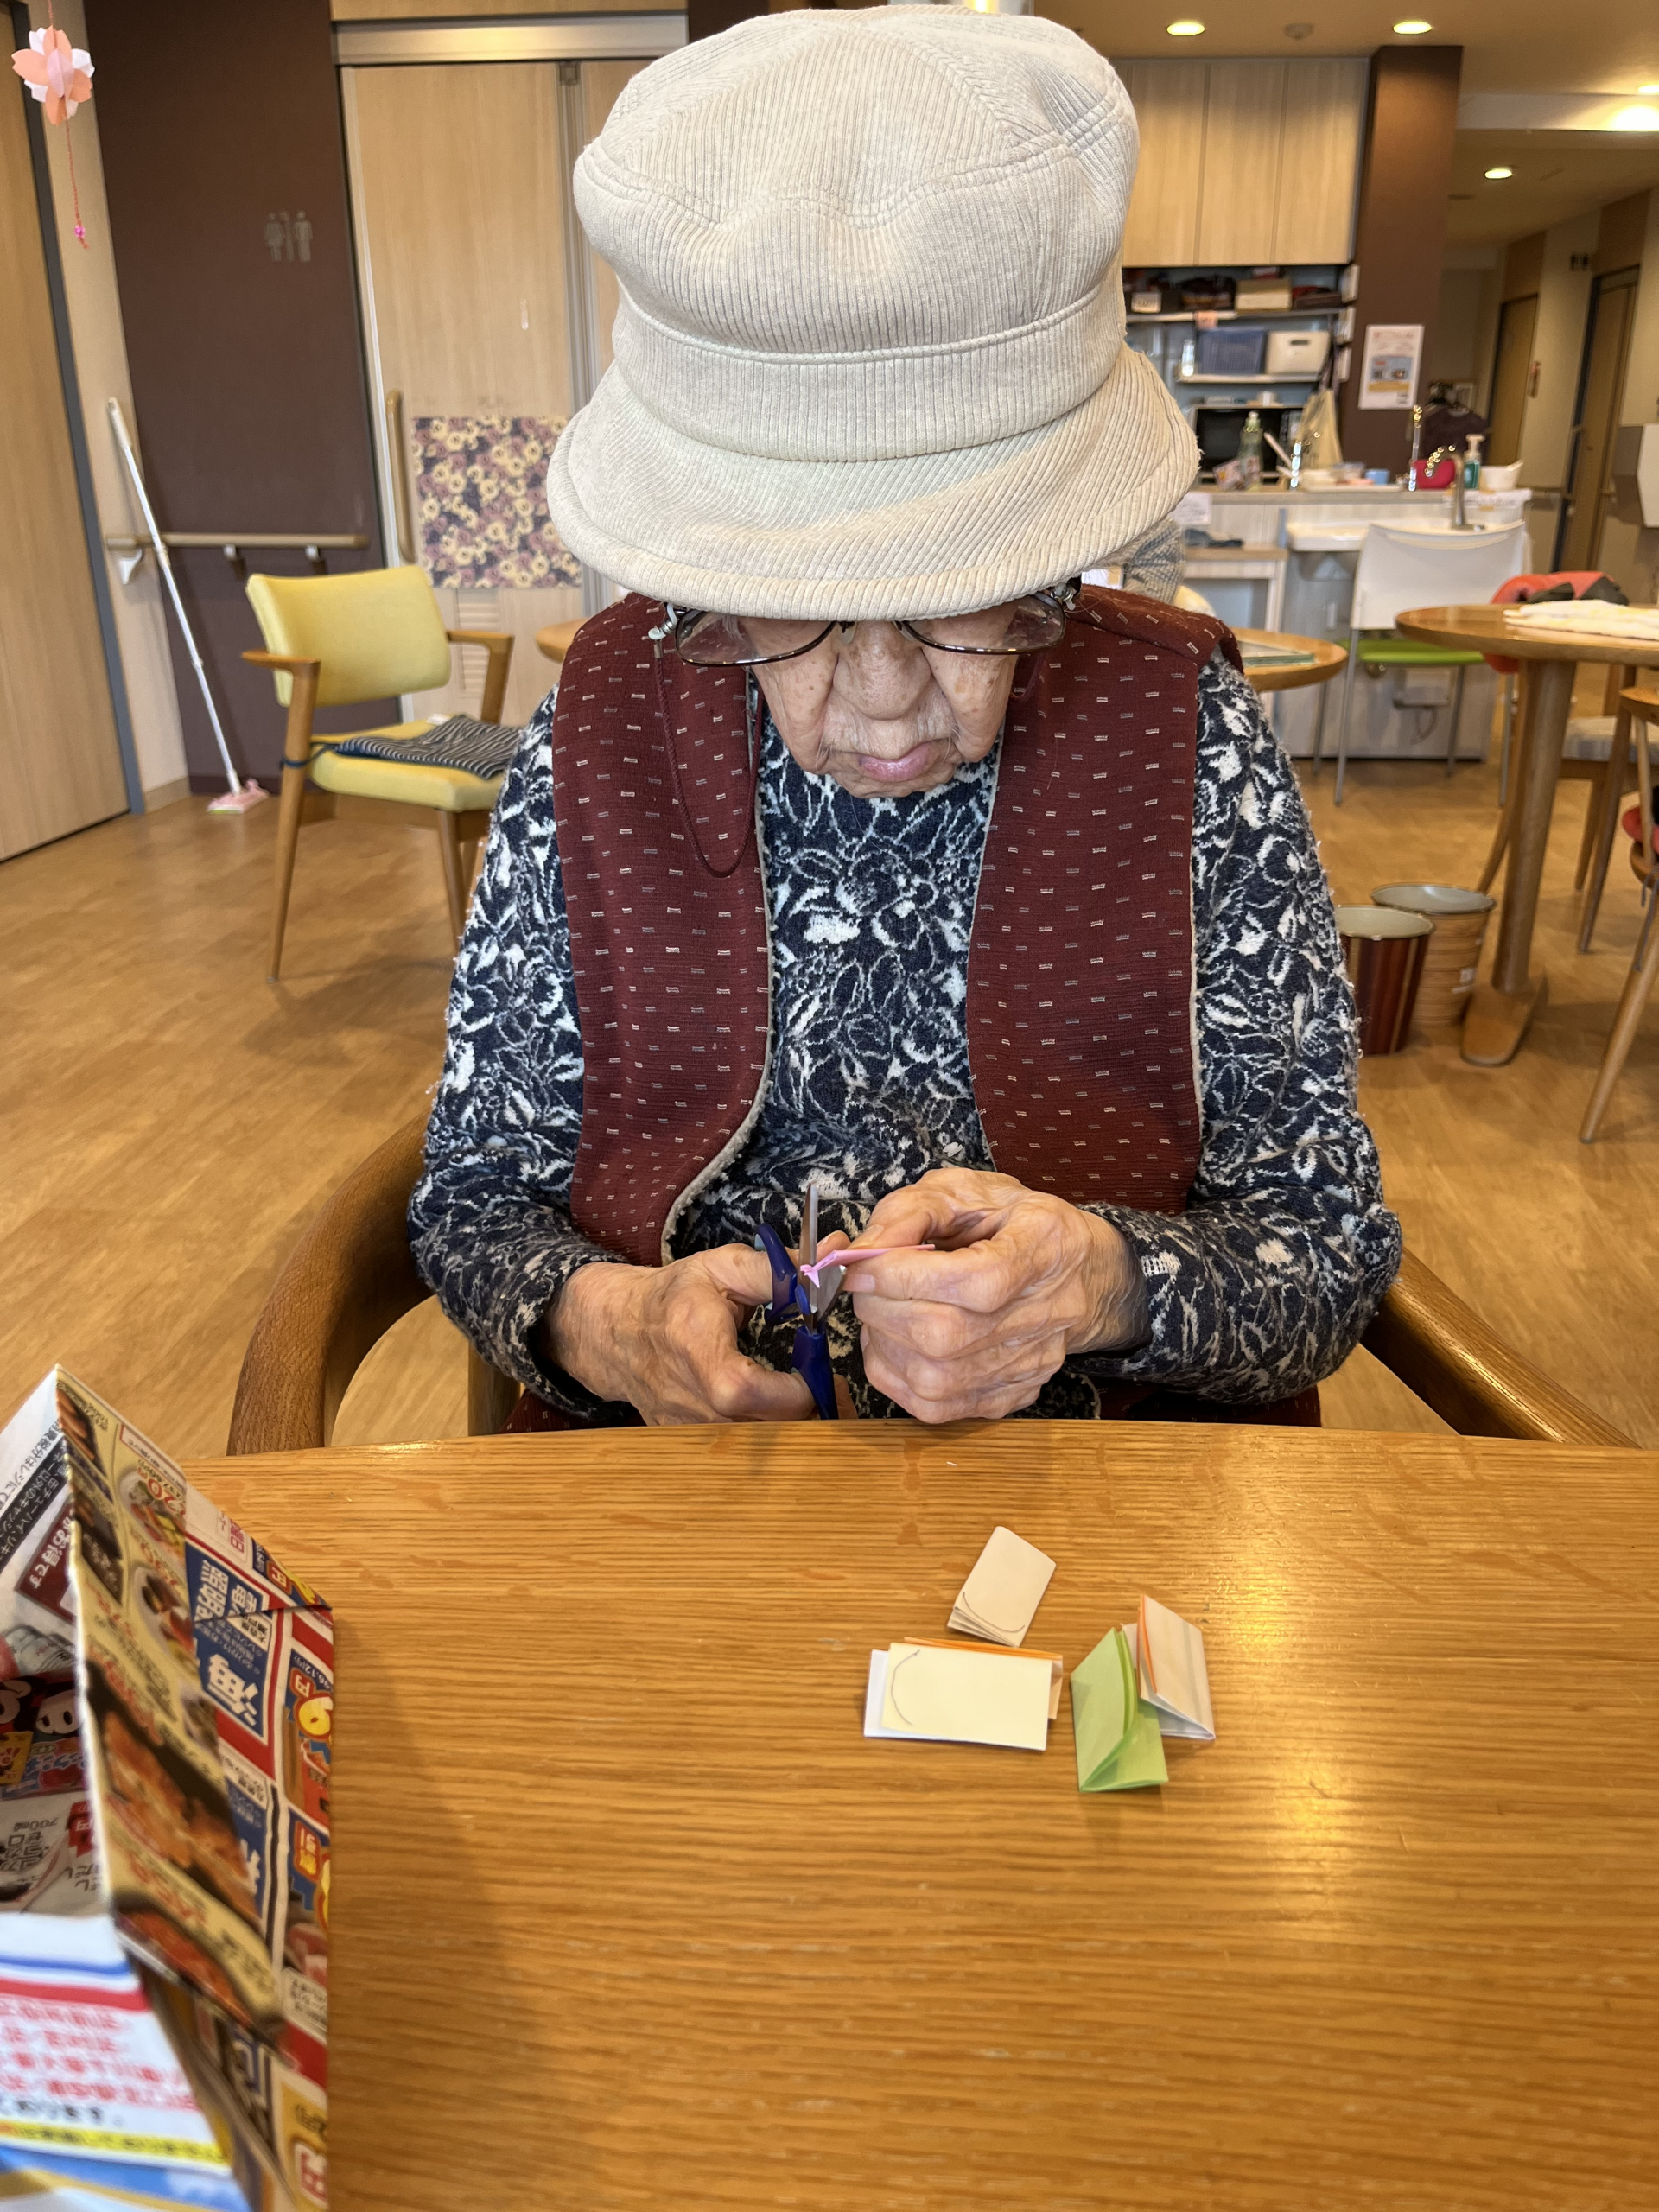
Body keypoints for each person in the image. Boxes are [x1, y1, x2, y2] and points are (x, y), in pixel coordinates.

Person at [410, 8, 1400, 1428]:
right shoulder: (601, 721)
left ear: (1055, 551)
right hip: (683, 1497)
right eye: (780, 603)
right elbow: (471, 1199)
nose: (881, 700)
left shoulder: (1184, 730)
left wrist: (1104, 1288)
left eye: (963, 592)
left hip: (1104, 1496)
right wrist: (605, 1325)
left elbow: (1327, 1251)